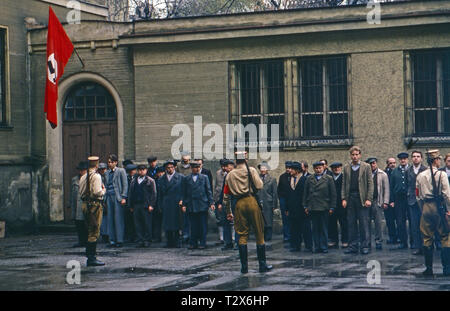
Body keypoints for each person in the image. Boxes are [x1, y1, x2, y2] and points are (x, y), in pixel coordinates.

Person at [223, 151, 272, 273]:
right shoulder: (251, 170)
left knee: (242, 235)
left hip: (239, 205)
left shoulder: (230, 175)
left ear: (235, 160)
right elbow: (260, 185)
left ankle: (244, 267)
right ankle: (262, 265)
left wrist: (229, 211)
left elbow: (226, 196)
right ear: (246, 159)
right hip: (251, 201)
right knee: (259, 234)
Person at [416, 149, 450, 276]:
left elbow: (418, 196)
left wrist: (423, 209)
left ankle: (429, 268)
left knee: (426, 237)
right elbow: (447, 195)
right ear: (436, 160)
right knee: (446, 236)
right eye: (439, 159)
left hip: (426, 207)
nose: (440, 161)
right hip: (439, 207)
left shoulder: (420, 175)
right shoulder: (442, 175)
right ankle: (446, 268)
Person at [342, 146, 374, 255]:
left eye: (357, 154)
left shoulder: (366, 167)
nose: (355, 157)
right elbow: (344, 184)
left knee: (364, 223)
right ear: (350, 156)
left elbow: (370, 184)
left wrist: (369, 198)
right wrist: (344, 198)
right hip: (350, 197)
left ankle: (365, 246)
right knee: (351, 223)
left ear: (360, 155)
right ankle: (353, 246)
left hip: (362, 198)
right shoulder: (346, 167)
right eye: (353, 155)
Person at [304, 161, 336, 253]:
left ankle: (323, 246)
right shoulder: (309, 179)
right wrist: (305, 206)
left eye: (320, 168)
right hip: (313, 207)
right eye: (316, 168)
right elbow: (305, 193)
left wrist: (332, 207)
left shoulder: (329, 178)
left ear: (323, 168)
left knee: (323, 228)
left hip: (324, 207)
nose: (318, 170)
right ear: (314, 169)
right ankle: (317, 246)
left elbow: (333, 194)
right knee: (315, 228)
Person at [79, 156, 106, 266]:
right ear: (97, 164)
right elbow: (97, 192)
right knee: (94, 231)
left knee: (90, 229)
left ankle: (90, 255)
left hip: (85, 204)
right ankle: (91, 257)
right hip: (94, 205)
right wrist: (103, 191)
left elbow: (81, 192)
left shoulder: (83, 176)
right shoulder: (96, 176)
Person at [181, 161, 215, 249]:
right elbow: (184, 193)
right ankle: (193, 242)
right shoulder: (187, 179)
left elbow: (208, 191)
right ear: (191, 169)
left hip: (202, 203)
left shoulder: (204, 177)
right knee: (193, 225)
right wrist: (184, 204)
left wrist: (211, 203)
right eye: (194, 168)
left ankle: (202, 242)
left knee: (202, 225)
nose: (196, 169)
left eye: (198, 168)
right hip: (191, 204)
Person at [129, 165, 157, 248]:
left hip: (146, 205)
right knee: (138, 224)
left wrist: (151, 204)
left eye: (143, 170)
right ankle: (140, 240)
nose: (141, 171)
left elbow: (154, 193)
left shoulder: (150, 180)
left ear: (146, 170)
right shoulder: (134, 181)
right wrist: (130, 205)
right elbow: (130, 193)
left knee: (147, 223)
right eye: (140, 170)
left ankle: (147, 240)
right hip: (136, 205)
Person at [286, 161, 311, 252]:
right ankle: (295, 245)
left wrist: (307, 206)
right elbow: (287, 195)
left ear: (297, 170)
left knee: (305, 228)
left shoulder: (304, 179)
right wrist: (287, 208)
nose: (290, 170)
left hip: (302, 208)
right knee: (294, 228)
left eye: (292, 169)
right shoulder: (290, 179)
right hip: (293, 208)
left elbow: (308, 194)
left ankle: (308, 245)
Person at [158, 160, 184, 248]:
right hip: (166, 203)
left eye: (172, 167)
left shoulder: (180, 177)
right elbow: (159, 194)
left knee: (177, 223)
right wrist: (160, 205)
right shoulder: (161, 179)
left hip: (176, 203)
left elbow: (185, 191)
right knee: (167, 223)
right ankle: (169, 241)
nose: (170, 169)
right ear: (165, 169)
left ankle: (177, 241)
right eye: (168, 168)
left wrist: (182, 200)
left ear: (175, 167)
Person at [407, 151, 427, 255]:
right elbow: (407, 184)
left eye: (418, 156)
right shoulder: (408, 170)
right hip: (412, 201)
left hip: (423, 201)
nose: (416, 158)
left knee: (425, 225)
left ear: (421, 158)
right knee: (414, 225)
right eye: (414, 156)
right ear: (411, 158)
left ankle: (426, 246)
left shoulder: (425, 170)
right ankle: (418, 247)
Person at [366, 157, 390, 250]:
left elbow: (386, 189)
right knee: (366, 222)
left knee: (378, 223)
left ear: (376, 163)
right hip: (367, 201)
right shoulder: (365, 174)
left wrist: (385, 202)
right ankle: (367, 241)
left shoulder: (382, 174)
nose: (372, 165)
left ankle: (378, 241)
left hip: (377, 201)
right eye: (370, 163)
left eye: (374, 163)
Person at [105, 154, 128, 248]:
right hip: (109, 196)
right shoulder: (106, 173)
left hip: (117, 197)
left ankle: (119, 240)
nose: (109, 164)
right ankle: (112, 240)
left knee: (118, 219)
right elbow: (105, 185)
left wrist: (124, 197)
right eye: (108, 162)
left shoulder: (121, 171)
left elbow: (125, 184)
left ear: (115, 162)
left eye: (111, 162)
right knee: (110, 218)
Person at [389, 152, 410, 250]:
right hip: (399, 199)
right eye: (401, 159)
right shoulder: (394, 172)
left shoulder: (411, 170)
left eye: (405, 158)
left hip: (410, 198)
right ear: (399, 160)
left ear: (407, 159)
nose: (403, 160)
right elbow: (391, 186)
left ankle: (413, 242)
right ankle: (403, 242)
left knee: (412, 220)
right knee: (400, 221)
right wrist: (392, 200)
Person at [217, 159, 237, 250]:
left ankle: (237, 243)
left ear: (232, 166)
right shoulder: (226, 176)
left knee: (237, 223)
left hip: (236, 201)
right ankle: (228, 242)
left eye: (226, 166)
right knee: (226, 222)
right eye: (224, 167)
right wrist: (220, 202)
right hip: (227, 201)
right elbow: (223, 191)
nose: (225, 168)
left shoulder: (237, 175)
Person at [328, 162, 348, 248]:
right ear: (332, 169)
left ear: (341, 168)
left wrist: (345, 199)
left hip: (342, 203)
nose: (336, 169)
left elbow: (347, 189)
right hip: (331, 203)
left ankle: (345, 240)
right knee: (332, 223)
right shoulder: (329, 178)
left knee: (344, 222)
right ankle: (333, 240)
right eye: (334, 168)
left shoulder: (344, 177)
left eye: (338, 167)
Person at [258, 162, 278, 242]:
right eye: (261, 168)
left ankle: (268, 236)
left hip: (268, 201)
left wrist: (274, 205)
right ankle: (261, 235)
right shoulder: (257, 178)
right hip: (259, 200)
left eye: (264, 168)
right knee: (260, 220)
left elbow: (274, 193)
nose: (262, 170)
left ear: (267, 169)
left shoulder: (272, 179)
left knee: (268, 220)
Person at [71, 161, 88, 248]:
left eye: (83, 170)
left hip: (86, 205)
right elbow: (72, 194)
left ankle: (88, 241)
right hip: (77, 205)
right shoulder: (74, 179)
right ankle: (81, 241)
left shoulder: (90, 179)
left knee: (87, 224)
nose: (81, 172)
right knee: (79, 224)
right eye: (80, 170)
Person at [277, 161, 293, 244]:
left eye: (289, 168)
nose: (288, 170)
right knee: (285, 219)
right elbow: (279, 189)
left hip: (291, 200)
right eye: (287, 168)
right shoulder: (282, 177)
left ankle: (293, 235)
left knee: (292, 218)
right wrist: (280, 198)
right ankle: (287, 236)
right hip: (283, 199)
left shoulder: (294, 177)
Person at [384, 157, 399, 244]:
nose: (392, 165)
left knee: (399, 220)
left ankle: (399, 237)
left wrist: (394, 201)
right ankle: (392, 237)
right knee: (389, 221)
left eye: (394, 163)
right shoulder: (385, 173)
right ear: (387, 164)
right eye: (390, 163)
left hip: (397, 201)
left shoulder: (398, 172)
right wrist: (388, 201)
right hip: (387, 200)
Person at [214, 159, 228, 246]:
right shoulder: (218, 173)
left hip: (227, 197)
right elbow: (216, 186)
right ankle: (221, 237)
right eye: (222, 166)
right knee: (219, 219)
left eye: (225, 166)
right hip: (218, 197)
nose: (223, 168)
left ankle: (232, 237)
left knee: (229, 219)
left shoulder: (230, 173)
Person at [152, 166, 166, 243]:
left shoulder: (165, 180)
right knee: (157, 221)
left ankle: (164, 237)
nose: (160, 174)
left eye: (162, 172)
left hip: (165, 203)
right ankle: (157, 236)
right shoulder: (155, 180)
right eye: (159, 173)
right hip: (157, 203)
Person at [124, 164, 137, 243]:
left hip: (135, 201)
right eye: (130, 171)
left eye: (133, 171)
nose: (131, 172)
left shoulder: (137, 178)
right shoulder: (126, 178)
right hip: (128, 201)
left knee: (136, 220)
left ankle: (135, 236)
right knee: (128, 220)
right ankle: (129, 236)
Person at [98, 162, 109, 244]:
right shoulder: (98, 177)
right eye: (101, 169)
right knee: (102, 219)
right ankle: (104, 234)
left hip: (108, 199)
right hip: (101, 199)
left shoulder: (109, 176)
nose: (103, 171)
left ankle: (109, 234)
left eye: (104, 169)